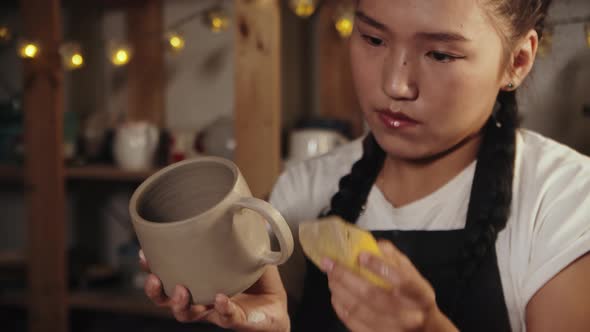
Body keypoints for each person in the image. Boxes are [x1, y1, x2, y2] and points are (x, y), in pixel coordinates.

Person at [139, 0, 590, 330]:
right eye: (373, 38)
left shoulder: (563, 197)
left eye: (440, 54)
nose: (396, 84)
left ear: (518, 61)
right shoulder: (304, 188)